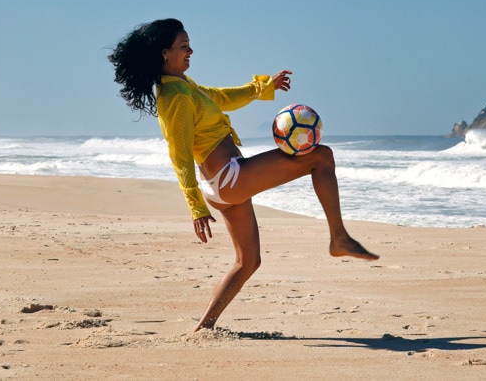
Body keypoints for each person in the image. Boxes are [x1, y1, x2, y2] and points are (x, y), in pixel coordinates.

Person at [109, 18, 379, 331]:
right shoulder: (176, 98)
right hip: (228, 179)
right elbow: (179, 155)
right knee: (321, 156)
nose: (191, 50)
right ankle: (339, 238)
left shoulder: (182, 86)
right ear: (164, 53)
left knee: (248, 262)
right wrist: (195, 208)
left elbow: (220, 97)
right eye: (183, 46)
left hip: (222, 186)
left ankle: (204, 328)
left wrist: (264, 87)